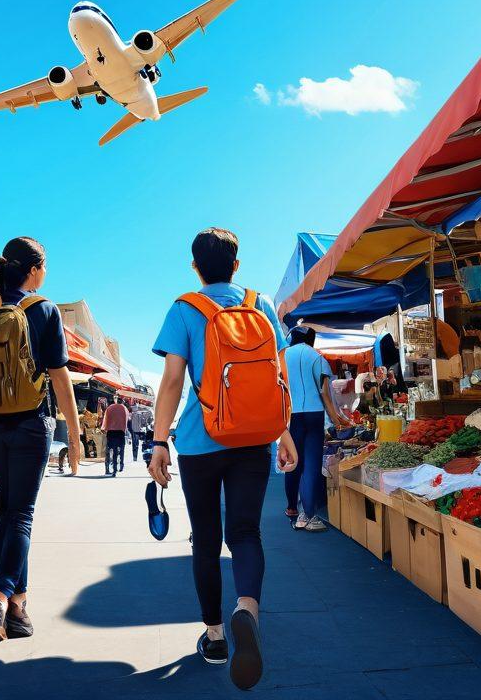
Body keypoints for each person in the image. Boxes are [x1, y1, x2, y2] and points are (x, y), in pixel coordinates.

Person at [150, 227, 297, 691]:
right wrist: (284, 430)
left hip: (199, 441)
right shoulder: (261, 305)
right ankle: (246, 609)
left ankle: (214, 635)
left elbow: (173, 380)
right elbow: (276, 371)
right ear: (236, 264)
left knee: (206, 538)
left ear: (195, 266)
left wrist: (158, 442)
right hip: (255, 438)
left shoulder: (184, 309)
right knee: (246, 532)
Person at [0, 237, 81, 642]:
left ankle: (18, 611)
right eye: (44, 268)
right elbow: (60, 379)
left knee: (7, 513)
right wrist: (74, 436)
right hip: (30, 424)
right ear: (33, 270)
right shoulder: (43, 310)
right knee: (21, 514)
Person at [282, 326, 348, 531]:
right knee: (310, 464)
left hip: (291, 415)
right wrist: (337, 420)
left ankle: (292, 508)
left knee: (293, 461)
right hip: (313, 415)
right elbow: (325, 395)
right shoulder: (317, 358)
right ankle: (308, 516)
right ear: (312, 340)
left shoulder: (282, 356)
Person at [101, 396, 129, 475]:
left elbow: (105, 419)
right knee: (120, 449)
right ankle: (120, 466)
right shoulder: (124, 409)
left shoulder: (109, 408)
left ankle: (108, 469)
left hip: (111, 432)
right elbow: (126, 420)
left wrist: (104, 428)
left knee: (110, 450)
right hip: (120, 432)